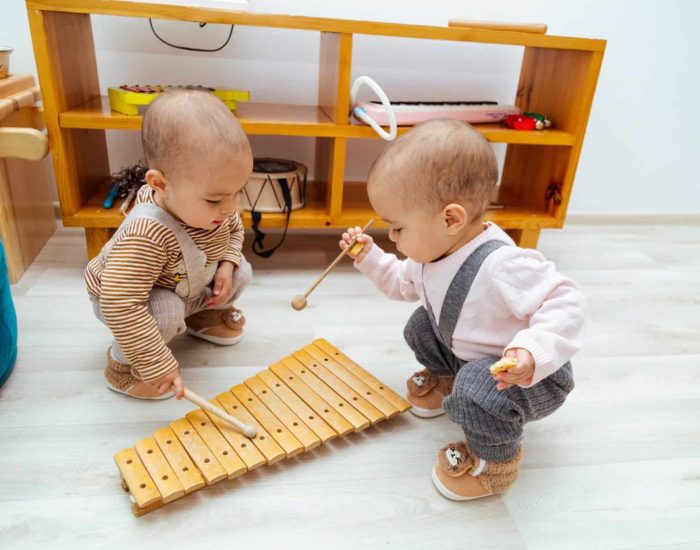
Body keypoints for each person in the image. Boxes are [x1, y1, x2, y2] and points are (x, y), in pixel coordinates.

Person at [339, 118, 586, 500]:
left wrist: (531, 351)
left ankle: (495, 464)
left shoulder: (503, 264)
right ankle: (446, 380)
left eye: (398, 228)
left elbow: (566, 301)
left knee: (476, 389)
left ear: (450, 218)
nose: (391, 236)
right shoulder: (431, 255)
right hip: (467, 356)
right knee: (421, 324)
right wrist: (368, 255)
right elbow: (400, 283)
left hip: (524, 376)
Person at [85, 90, 253, 400]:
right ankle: (123, 367)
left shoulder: (219, 208)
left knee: (241, 270)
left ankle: (203, 316)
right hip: (127, 300)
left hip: (188, 283)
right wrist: (155, 363)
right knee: (164, 309)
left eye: (238, 192)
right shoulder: (146, 234)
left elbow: (234, 232)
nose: (231, 208)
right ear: (160, 184)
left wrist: (228, 264)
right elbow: (120, 304)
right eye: (216, 199)